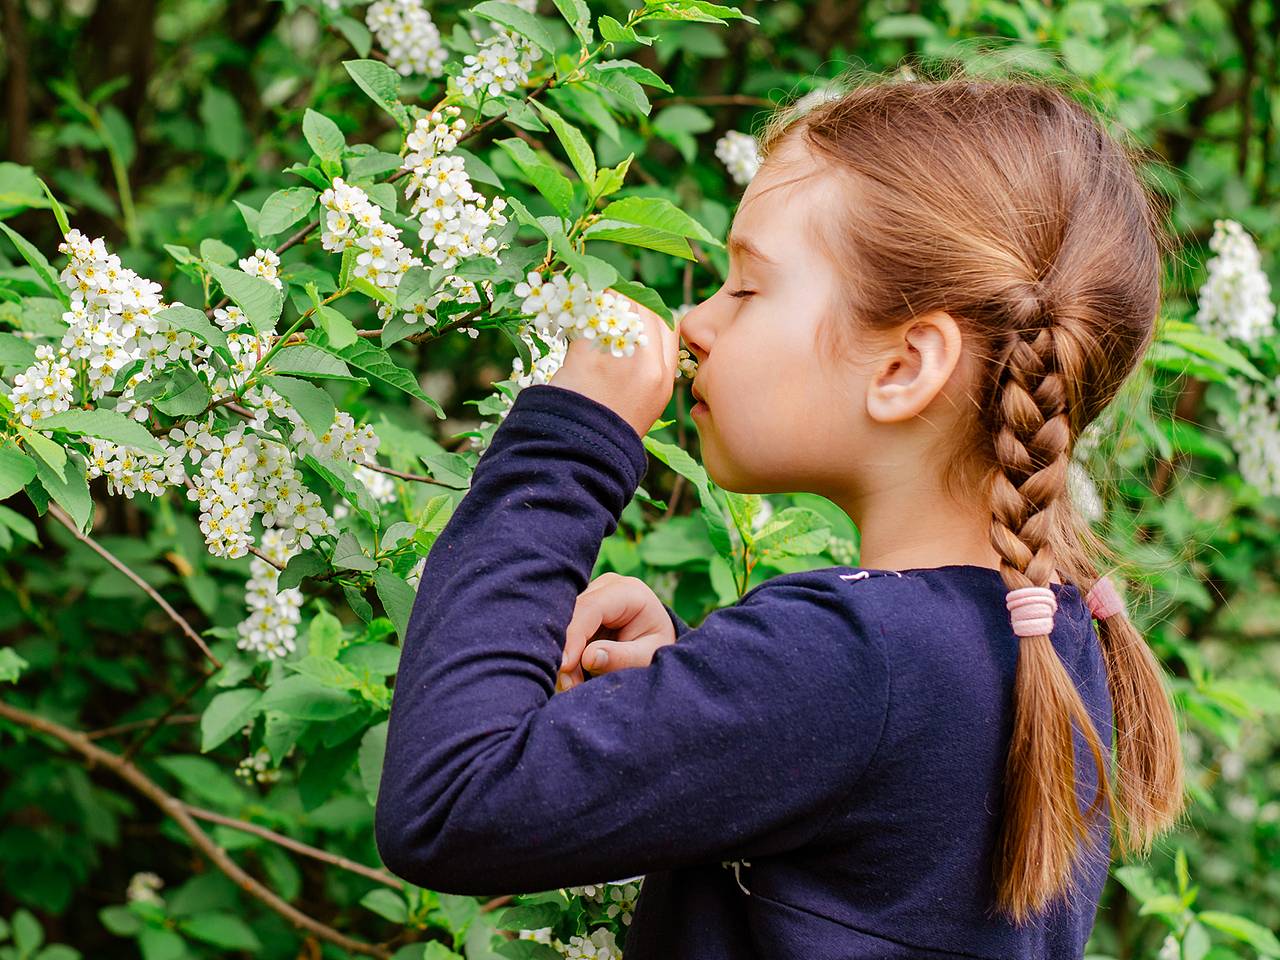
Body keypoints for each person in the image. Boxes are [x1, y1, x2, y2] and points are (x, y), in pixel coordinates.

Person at [374, 72, 1187, 959]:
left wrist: (568, 442)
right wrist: (693, 679)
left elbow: (448, 801)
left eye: (747, 289)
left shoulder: (846, 657)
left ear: (905, 368)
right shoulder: (1048, 639)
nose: (693, 323)